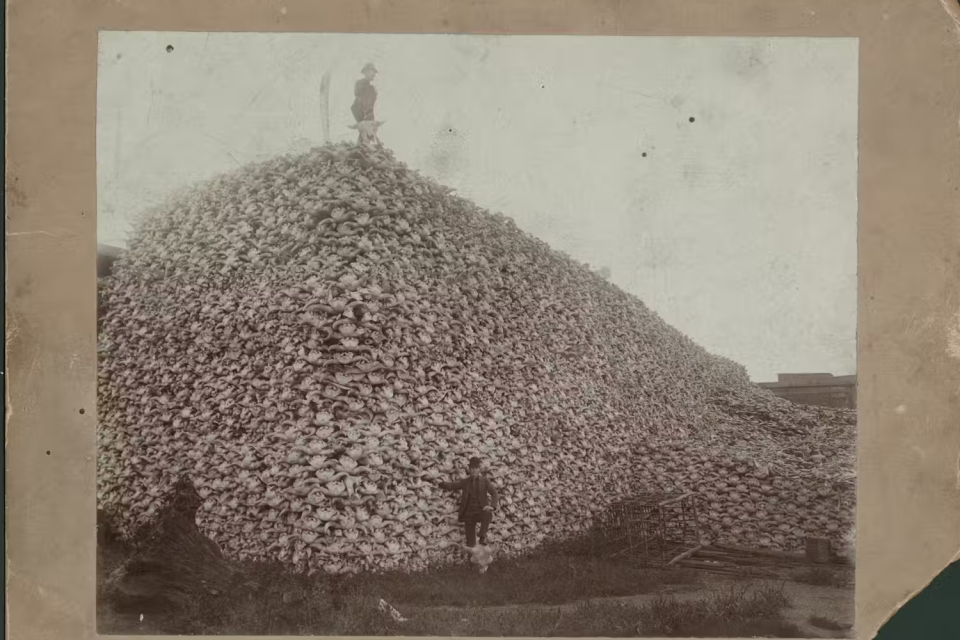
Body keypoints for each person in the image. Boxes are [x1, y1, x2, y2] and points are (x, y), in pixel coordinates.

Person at [436, 456, 499, 547]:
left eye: (476, 468)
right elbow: (452, 485)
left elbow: (494, 493)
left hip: (481, 511)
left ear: (479, 469)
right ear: (469, 469)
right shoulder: (465, 482)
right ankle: (472, 560)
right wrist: (440, 483)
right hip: (469, 514)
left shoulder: (485, 481)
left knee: (488, 513)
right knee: (470, 543)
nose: (473, 471)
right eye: (472, 468)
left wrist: (492, 506)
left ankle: (482, 536)